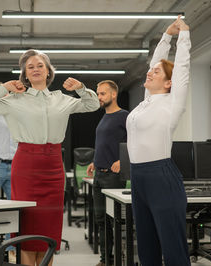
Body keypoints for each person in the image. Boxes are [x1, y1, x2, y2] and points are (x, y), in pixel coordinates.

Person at [0, 49, 99, 266]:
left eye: (40, 65)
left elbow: (93, 104)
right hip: (26, 166)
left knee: (49, 228)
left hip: (53, 166)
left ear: (49, 71)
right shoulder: (14, 99)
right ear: (25, 74)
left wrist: (81, 88)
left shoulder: (62, 99)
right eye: (30, 67)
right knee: (28, 226)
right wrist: (4, 87)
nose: (35, 69)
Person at [126, 16, 191, 266]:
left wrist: (183, 35)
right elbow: (155, 62)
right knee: (147, 249)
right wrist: (166, 35)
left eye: (157, 72)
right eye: (150, 71)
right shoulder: (146, 101)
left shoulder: (172, 103)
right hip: (138, 177)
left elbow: (182, 68)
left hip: (161, 177)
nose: (150, 72)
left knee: (173, 250)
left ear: (168, 83)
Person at [86, 80, 128, 266]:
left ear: (113, 94)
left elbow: (135, 142)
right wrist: (94, 161)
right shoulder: (103, 117)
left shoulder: (124, 116)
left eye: (103, 94)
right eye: (98, 94)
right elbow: (105, 144)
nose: (99, 97)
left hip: (113, 177)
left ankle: (117, 258)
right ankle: (106, 260)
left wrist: (122, 161)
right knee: (101, 221)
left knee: (113, 221)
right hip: (99, 175)